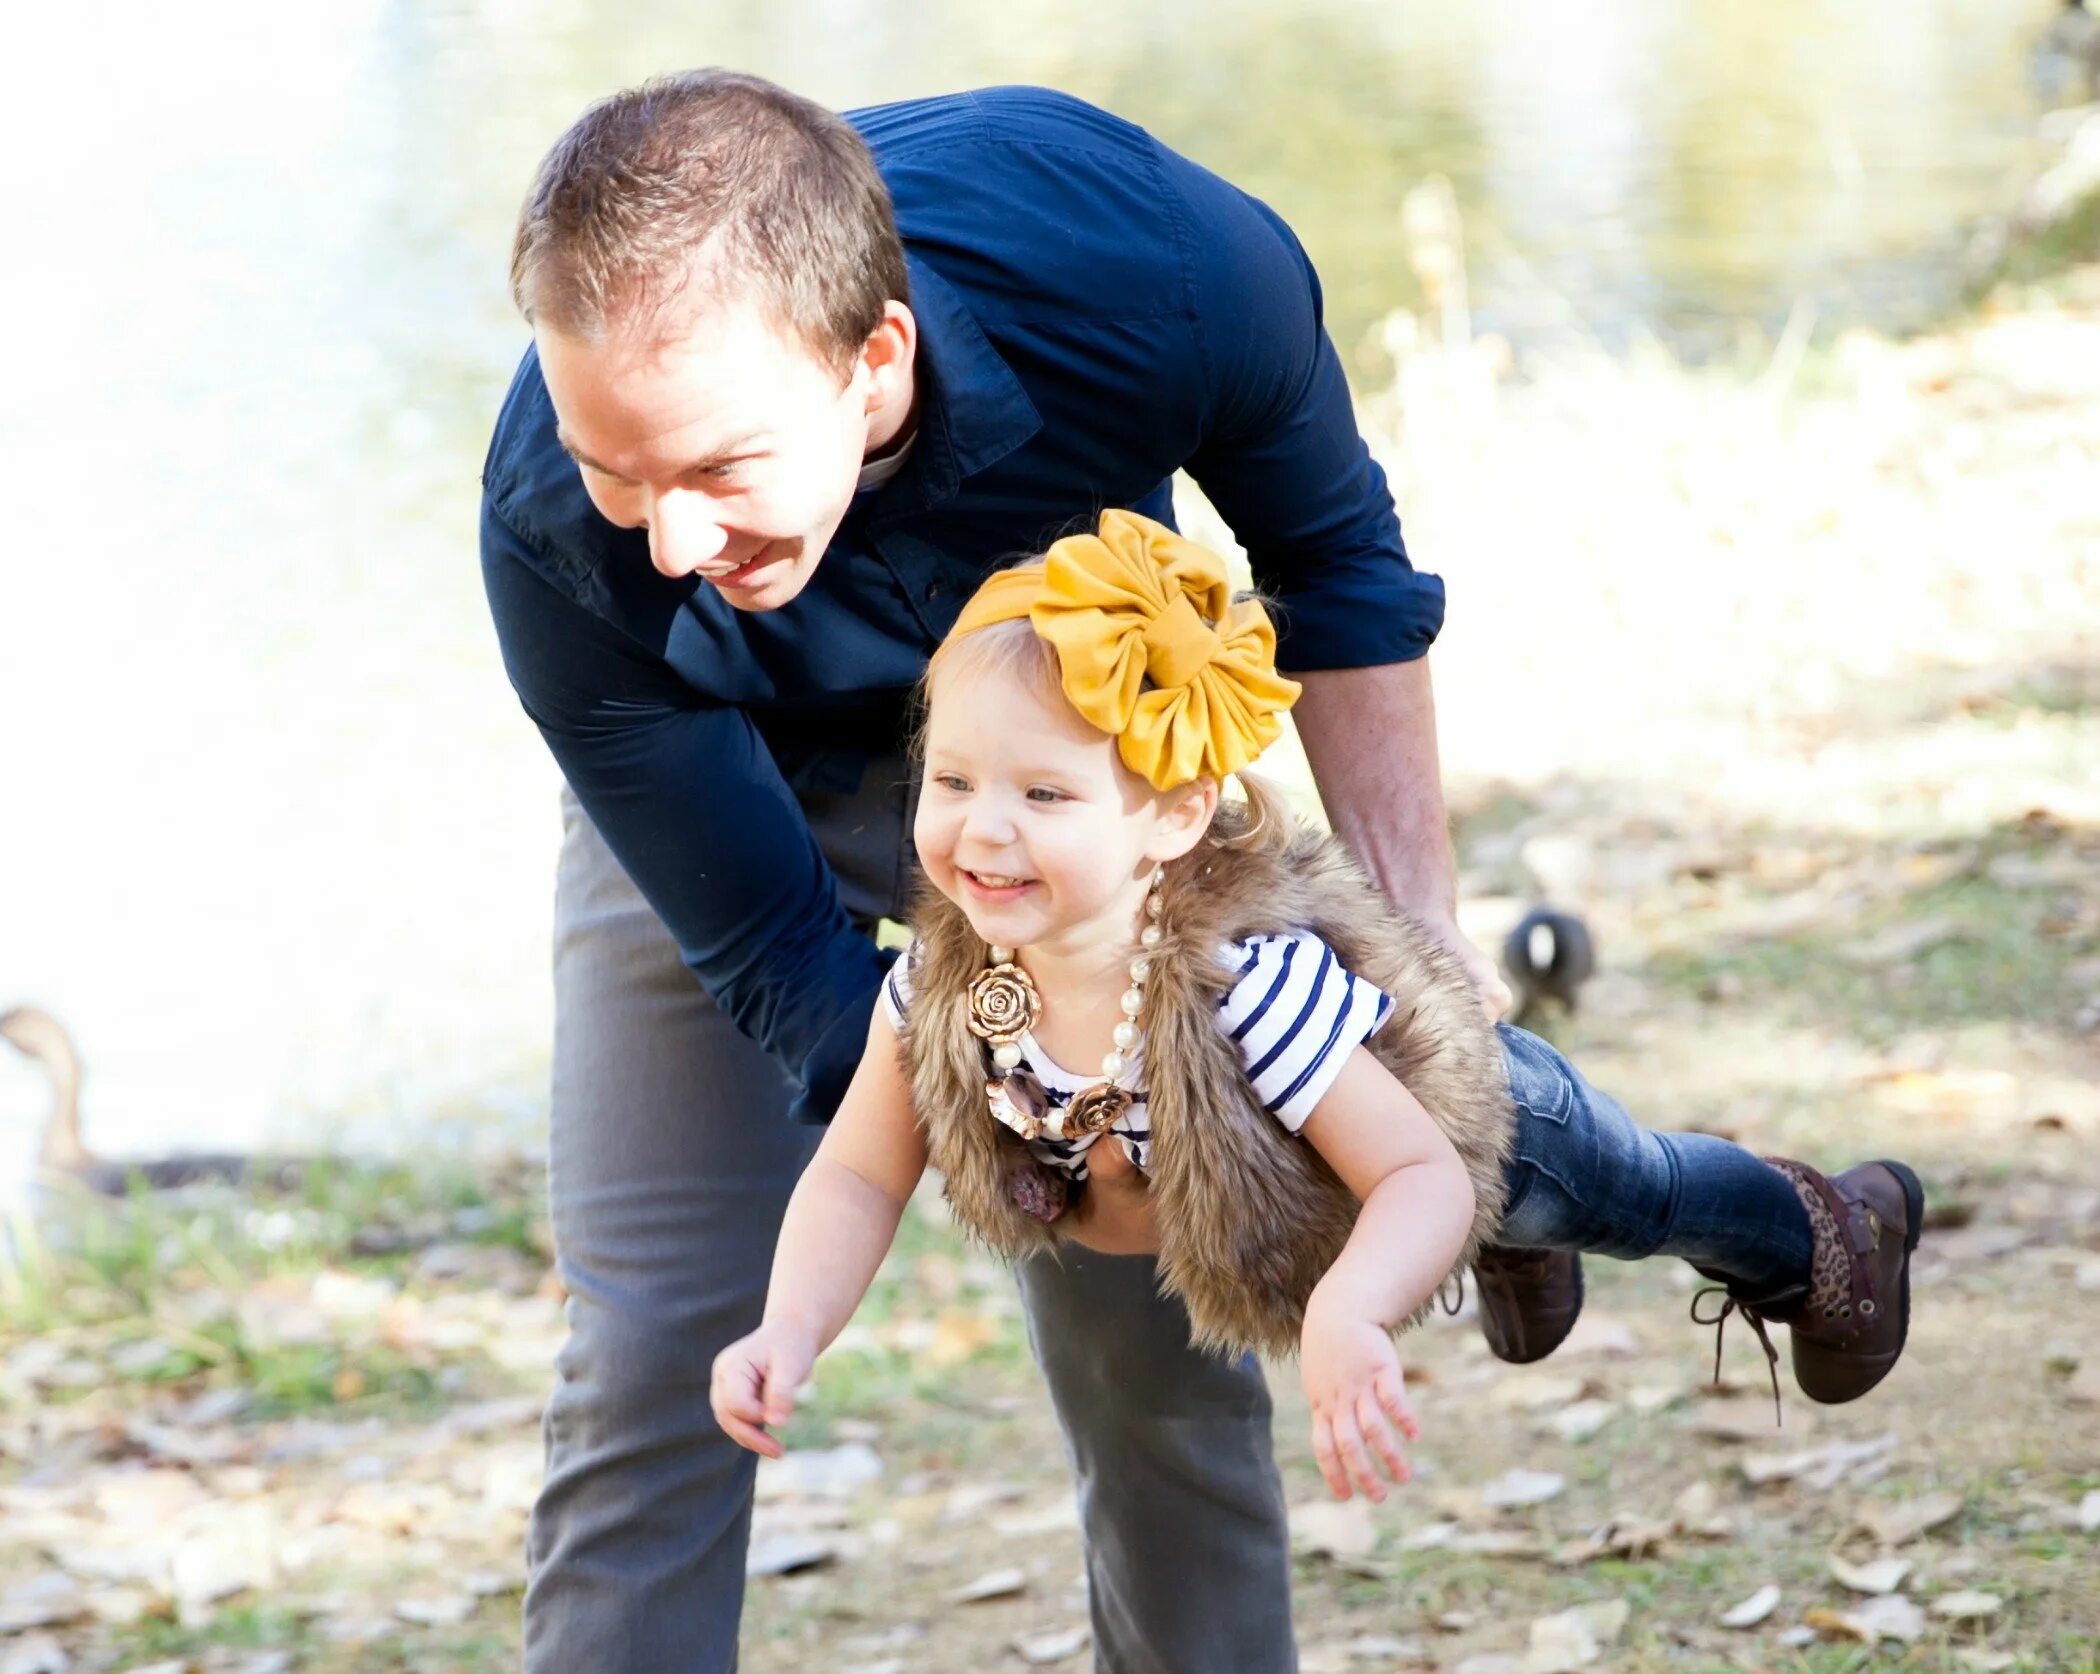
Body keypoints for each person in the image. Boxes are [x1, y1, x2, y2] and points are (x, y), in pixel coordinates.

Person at [484, 68, 1558, 1671]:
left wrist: (1420, 967)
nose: (668, 545)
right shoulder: (554, 537)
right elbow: (797, 979)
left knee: (1168, 1302)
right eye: (616, 470)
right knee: (659, 1338)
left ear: (876, 365)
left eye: (716, 470)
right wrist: (1012, 1118)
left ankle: (1527, 1183)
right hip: (723, 776)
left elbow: (1336, 572)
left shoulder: (1165, 274)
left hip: (1055, 745)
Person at [708, 513, 1926, 1510]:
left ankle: (1828, 1229)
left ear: (1174, 817)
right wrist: (788, 1329)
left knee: (1632, 1191)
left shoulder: (1248, 994)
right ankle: (1519, 1251)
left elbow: (1419, 1179)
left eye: (1043, 791)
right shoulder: (940, 987)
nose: (982, 827)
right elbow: (860, 1177)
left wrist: (1350, 1308)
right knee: (1502, 1225)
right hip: (1342, 1182)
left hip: (1448, 1122)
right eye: (957, 779)